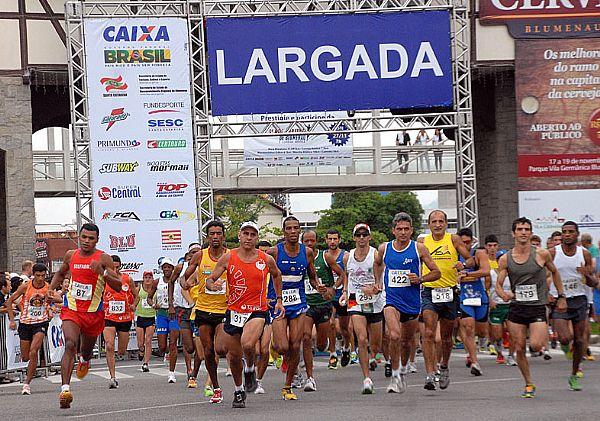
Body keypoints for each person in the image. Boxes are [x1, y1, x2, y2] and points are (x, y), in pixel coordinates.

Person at [205, 221, 285, 408]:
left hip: (257, 310)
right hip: (234, 310)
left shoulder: (265, 259)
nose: (249, 237)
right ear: (239, 236)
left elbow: (277, 275)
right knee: (233, 356)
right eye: (245, 233)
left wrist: (279, 298)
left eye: (252, 234)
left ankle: (250, 368)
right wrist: (211, 285)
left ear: (256, 238)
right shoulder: (228, 257)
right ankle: (239, 390)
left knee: (248, 343)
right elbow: (211, 279)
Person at [46, 223, 121, 409]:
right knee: (70, 344)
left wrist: (102, 272)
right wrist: (50, 288)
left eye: (91, 238)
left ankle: (85, 359)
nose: (87, 241)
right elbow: (61, 272)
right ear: (79, 237)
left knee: (86, 350)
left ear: (97, 240)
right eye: (84, 237)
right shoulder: (71, 255)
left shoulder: (103, 258)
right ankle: (65, 390)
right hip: (72, 309)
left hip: (93, 313)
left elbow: (118, 285)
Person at [495, 217, 567, 398]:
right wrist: (503, 295)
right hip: (517, 308)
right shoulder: (506, 258)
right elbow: (498, 283)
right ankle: (528, 383)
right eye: (520, 229)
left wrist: (561, 295)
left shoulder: (541, 254)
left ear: (531, 232)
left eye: (527, 229)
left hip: (536, 307)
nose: (523, 232)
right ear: (513, 233)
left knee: (535, 345)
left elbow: (555, 272)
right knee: (519, 347)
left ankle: (542, 344)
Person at [374, 212, 440, 394]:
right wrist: (377, 281)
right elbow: (377, 263)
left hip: (411, 302)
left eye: (406, 229)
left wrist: (420, 279)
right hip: (391, 300)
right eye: (399, 229)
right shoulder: (384, 248)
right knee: (393, 335)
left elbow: (436, 272)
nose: (402, 232)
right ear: (393, 231)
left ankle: (402, 369)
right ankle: (395, 376)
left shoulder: (419, 249)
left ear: (411, 230)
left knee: (406, 342)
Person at [269, 216, 323, 400]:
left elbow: (312, 276)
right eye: (289, 228)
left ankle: (287, 386)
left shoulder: (307, 252)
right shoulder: (274, 252)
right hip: (278, 303)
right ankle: (274, 348)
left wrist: (319, 287)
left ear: (299, 230)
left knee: (295, 345)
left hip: (298, 303)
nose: (292, 232)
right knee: (283, 347)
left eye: (296, 228)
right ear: (284, 231)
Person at [421, 210, 474, 391]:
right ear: (429, 225)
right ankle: (430, 373)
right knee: (428, 333)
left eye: (441, 221)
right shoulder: (422, 242)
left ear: (446, 223)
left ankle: (444, 365)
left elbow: (471, 259)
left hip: (450, 292)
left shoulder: (454, 240)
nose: (437, 224)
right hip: (429, 291)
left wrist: (464, 265)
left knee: (446, 337)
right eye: (434, 221)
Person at [183, 221, 230, 404]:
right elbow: (185, 277)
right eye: (212, 234)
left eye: (219, 233)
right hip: (203, 309)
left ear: (223, 236)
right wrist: (186, 282)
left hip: (224, 309)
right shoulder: (200, 256)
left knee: (219, 347)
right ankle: (216, 387)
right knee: (208, 352)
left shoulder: (230, 255)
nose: (215, 236)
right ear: (207, 236)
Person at [549, 222, 598, 391]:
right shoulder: (553, 252)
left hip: (579, 300)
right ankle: (564, 347)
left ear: (577, 234)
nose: (567, 234)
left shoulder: (583, 254)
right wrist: (547, 294)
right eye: (564, 232)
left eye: (571, 232)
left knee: (579, 340)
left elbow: (593, 282)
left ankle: (574, 374)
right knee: (564, 337)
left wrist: (587, 274)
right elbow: (543, 275)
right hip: (560, 300)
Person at [341, 223, 385, 394]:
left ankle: (374, 356)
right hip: (355, 300)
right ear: (354, 238)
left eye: (364, 235)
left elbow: (380, 280)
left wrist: (375, 287)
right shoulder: (347, 257)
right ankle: (367, 378)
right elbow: (346, 275)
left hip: (374, 300)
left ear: (369, 237)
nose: (361, 238)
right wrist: (345, 291)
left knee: (375, 344)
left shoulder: (376, 255)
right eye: (358, 235)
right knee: (361, 338)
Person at [301, 230, 345, 392]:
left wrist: (333, 288)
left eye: (312, 240)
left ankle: (325, 344)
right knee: (305, 337)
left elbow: (342, 274)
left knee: (320, 345)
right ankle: (309, 377)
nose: (310, 243)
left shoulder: (325, 257)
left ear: (317, 241)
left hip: (323, 304)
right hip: (305, 305)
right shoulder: (299, 258)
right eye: (306, 241)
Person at [6, 263, 54, 395]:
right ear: (33, 274)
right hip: (25, 323)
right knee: (26, 357)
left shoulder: (47, 287)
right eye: (38, 275)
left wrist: (52, 300)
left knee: (34, 352)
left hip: (40, 323)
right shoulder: (26, 286)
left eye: (43, 276)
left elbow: (57, 298)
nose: (40, 278)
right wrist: (11, 320)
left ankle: (27, 383)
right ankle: (29, 370)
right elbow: (9, 301)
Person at [456, 228, 491, 376]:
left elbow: (485, 271)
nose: (465, 245)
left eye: (468, 242)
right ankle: (474, 361)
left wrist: (466, 275)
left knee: (481, 332)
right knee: (468, 327)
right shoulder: (454, 255)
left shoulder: (479, 253)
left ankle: (474, 348)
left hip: (479, 296)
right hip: (463, 296)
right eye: (462, 243)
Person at [102, 255, 137, 389]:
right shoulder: (104, 279)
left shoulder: (127, 279)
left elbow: (136, 295)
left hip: (125, 318)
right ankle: (112, 377)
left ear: (120, 266)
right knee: (109, 346)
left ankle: (119, 354)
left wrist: (134, 305)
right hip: (108, 317)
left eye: (117, 267)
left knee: (121, 351)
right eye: (112, 267)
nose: (115, 270)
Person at [171, 244, 202, 388]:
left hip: (201, 311)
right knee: (189, 347)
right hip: (183, 309)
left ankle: (192, 372)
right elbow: (176, 283)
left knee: (200, 346)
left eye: (197, 252)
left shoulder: (206, 267)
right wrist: (172, 304)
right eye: (192, 252)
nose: (195, 254)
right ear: (188, 254)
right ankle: (190, 367)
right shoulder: (181, 267)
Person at [148, 258, 179, 383]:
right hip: (161, 314)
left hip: (174, 314)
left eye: (169, 267)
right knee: (162, 346)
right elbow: (149, 297)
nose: (166, 269)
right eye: (164, 267)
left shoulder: (176, 281)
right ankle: (166, 354)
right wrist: (153, 304)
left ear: (172, 268)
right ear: (162, 269)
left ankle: (171, 373)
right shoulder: (157, 282)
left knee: (173, 343)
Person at [325, 229, 352, 368]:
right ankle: (332, 353)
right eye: (330, 239)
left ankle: (346, 348)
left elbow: (347, 274)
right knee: (330, 324)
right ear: (326, 240)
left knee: (344, 328)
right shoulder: (324, 256)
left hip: (343, 294)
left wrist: (345, 291)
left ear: (339, 240)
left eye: (335, 239)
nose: (332, 241)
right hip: (329, 295)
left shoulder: (346, 256)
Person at [135, 271, 156, 372]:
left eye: (149, 277)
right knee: (140, 343)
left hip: (151, 317)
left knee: (148, 340)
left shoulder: (154, 289)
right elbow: (135, 298)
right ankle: (141, 350)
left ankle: (146, 363)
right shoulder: (139, 288)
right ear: (143, 279)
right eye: (146, 277)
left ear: (152, 279)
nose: (148, 279)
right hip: (140, 317)